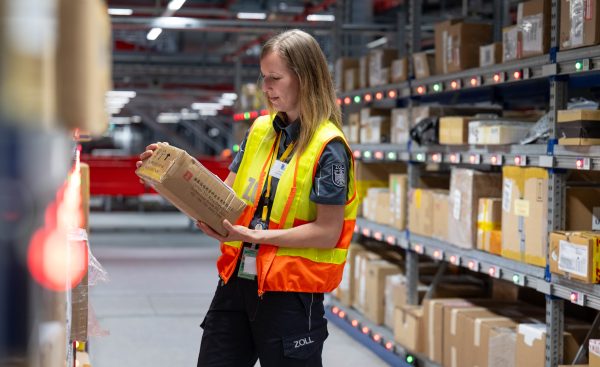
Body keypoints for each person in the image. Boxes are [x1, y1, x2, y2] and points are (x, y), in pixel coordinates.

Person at [137, 29, 357, 367]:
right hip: (237, 281)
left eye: (275, 78)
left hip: (290, 294)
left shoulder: (329, 148)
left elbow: (328, 231)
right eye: (263, 77)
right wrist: (171, 173)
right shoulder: (260, 131)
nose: (266, 88)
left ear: (305, 79)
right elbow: (224, 195)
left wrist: (258, 236)